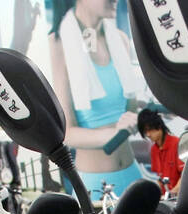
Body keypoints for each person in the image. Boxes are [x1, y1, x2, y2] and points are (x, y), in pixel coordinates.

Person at [48, 0, 152, 201]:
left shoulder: (120, 39)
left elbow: (129, 113)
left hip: (133, 177)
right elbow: (66, 133)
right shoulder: (59, 44)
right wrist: (115, 133)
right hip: (95, 188)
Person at [137, 108, 182, 192]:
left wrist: (173, 193)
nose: (148, 134)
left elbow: (185, 175)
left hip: (180, 196)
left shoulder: (176, 143)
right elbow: (161, 178)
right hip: (166, 197)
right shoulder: (154, 150)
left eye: (150, 129)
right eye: (145, 131)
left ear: (159, 126)